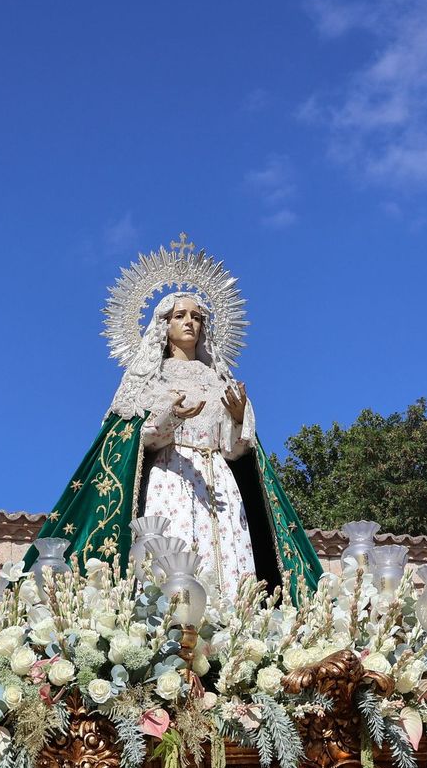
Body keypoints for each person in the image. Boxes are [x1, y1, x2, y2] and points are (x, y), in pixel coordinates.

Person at [28, 238, 322, 601]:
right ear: (163, 325)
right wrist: (170, 416)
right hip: (172, 478)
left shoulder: (220, 380)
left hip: (221, 488)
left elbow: (236, 451)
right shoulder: (151, 377)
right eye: (180, 316)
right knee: (173, 564)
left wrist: (234, 418)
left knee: (228, 566)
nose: (190, 323)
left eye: (197, 317)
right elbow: (139, 439)